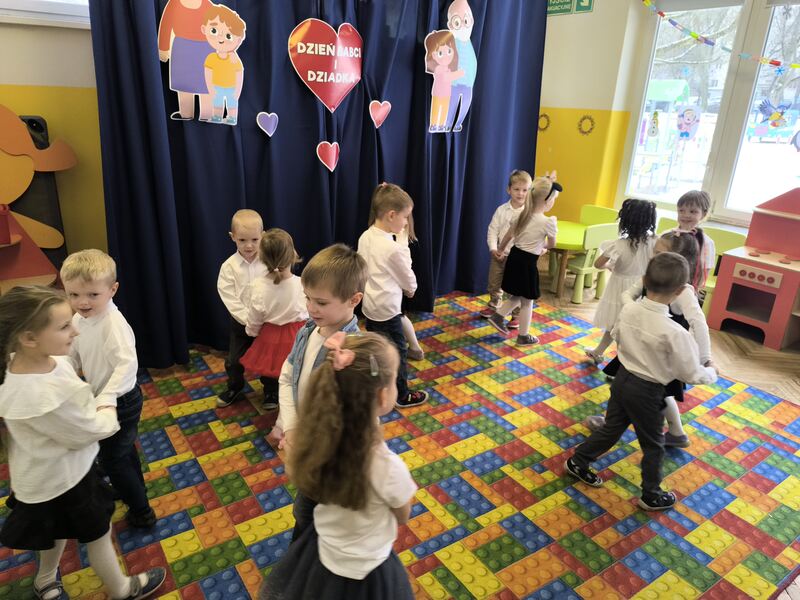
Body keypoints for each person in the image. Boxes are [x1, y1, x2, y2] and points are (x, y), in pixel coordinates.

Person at [0, 286, 165, 600]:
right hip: (67, 479)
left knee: (54, 531)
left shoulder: (19, 363)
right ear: (29, 338)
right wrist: (107, 404)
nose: (75, 331)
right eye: (64, 326)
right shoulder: (46, 398)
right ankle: (122, 589)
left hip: (36, 478)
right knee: (100, 535)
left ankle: (45, 579)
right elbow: (89, 431)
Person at [261, 333, 415, 600]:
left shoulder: (316, 440)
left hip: (321, 555)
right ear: (382, 396)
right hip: (370, 570)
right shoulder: (387, 466)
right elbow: (402, 515)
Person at [565, 253, 717, 511]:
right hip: (648, 392)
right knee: (653, 445)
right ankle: (651, 495)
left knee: (612, 428)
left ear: (644, 280)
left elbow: (616, 334)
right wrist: (711, 371)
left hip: (622, 379)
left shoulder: (629, 309)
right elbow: (691, 374)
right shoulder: (675, 332)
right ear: (680, 291)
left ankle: (578, 461)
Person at [60, 250, 156, 530]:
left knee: (113, 460)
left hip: (121, 400)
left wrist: (107, 399)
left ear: (112, 290)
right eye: (74, 294)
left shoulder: (112, 324)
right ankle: (133, 488)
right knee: (122, 453)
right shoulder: (80, 319)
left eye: (92, 294)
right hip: (102, 398)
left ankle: (142, 511)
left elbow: (126, 366)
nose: (82, 302)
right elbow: (72, 354)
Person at [279, 244, 368, 540]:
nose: (311, 307)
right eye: (307, 298)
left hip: (332, 454)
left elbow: (359, 416)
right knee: (306, 513)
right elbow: (287, 376)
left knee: (313, 515)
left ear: (354, 300)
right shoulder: (307, 331)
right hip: (307, 441)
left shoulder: (354, 352)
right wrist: (291, 427)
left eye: (320, 302)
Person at [594, 230, 714, 448]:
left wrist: (705, 358)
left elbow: (699, 323)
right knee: (647, 388)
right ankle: (675, 433)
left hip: (663, 349)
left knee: (652, 390)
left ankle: (614, 423)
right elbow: (628, 294)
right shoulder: (651, 277)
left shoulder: (683, 291)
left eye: (659, 254)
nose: (653, 258)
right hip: (644, 342)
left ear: (678, 260)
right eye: (654, 252)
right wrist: (632, 309)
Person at [358, 183, 429, 408]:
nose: (407, 222)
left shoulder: (366, 236)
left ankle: (376, 387)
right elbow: (407, 276)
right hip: (388, 310)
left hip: (370, 307)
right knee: (397, 353)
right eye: (405, 217)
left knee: (376, 350)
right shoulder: (392, 248)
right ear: (391, 215)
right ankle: (401, 395)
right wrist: (411, 289)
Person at [485, 173, 560, 345]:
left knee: (520, 295)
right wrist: (542, 248)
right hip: (527, 263)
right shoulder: (548, 222)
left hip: (514, 257)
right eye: (554, 199)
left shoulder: (521, 215)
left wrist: (500, 249)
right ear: (548, 201)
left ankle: (498, 316)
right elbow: (552, 244)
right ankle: (523, 335)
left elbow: (507, 236)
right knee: (527, 300)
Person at [241, 229, 307, 417]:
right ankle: (297, 394)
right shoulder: (302, 283)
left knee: (269, 368)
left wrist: (252, 331)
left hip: (269, 335)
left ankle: (271, 394)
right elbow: (308, 312)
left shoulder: (257, 286)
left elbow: (255, 316)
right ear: (293, 255)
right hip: (297, 334)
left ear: (262, 257)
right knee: (297, 366)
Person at [585, 199, 657, 364]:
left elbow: (598, 264)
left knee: (617, 324)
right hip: (641, 287)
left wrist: (610, 266)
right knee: (623, 325)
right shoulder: (654, 242)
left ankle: (622, 364)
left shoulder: (618, 244)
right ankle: (599, 352)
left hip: (619, 289)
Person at [217, 209, 269, 408]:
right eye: (242, 240)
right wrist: (248, 320)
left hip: (267, 322)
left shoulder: (269, 262)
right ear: (233, 237)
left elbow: (276, 289)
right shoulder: (228, 267)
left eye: (255, 240)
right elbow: (229, 297)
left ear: (263, 236)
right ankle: (235, 386)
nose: (249, 245)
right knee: (234, 361)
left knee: (269, 358)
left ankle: (271, 390)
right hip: (241, 324)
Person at [479, 170, 532, 329]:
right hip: (499, 255)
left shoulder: (529, 213)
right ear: (509, 190)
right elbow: (492, 230)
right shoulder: (501, 210)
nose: (520, 193)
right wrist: (493, 249)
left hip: (518, 258)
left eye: (525, 190)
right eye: (516, 189)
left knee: (515, 286)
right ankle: (494, 304)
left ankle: (516, 315)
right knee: (494, 282)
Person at [157, 0, 214, 121]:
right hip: (182, 47)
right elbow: (166, 26)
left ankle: (207, 113)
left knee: (205, 83)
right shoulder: (174, 3)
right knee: (183, 83)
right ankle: (186, 112)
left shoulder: (206, 4)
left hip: (204, 48)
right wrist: (163, 48)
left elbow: (215, 23)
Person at [201, 4, 246, 125]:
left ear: (238, 39)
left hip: (232, 88)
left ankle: (232, 117)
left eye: (228, 36)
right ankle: (217, 116)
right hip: (216, 87)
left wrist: (237, 91)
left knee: (232, 104)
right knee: (217, 103)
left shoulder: (235, 60)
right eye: (214, 31)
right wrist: (210, 88)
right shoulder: (211, 58)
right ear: (204, 29)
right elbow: (208, 74)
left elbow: (239, 74)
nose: (221, 38)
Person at [423, 29, 464, 132]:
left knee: (444, 109)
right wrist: (459, 74)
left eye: (449, 51)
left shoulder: (448, 68)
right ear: (434, 55)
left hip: (447, 93)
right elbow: (447, 77)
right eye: (441, 53)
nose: (446, 56)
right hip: (438, 93)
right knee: (436, 108)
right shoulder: (438, 68)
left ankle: (441, 125)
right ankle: (434, 124)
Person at [395, 225, 425, 361]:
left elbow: (404, 265)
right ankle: (414, 347)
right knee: (400, 315)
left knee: (399, 315)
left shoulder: (399, 235)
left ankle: (414, 348)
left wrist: (409, 288)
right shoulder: (401, 232)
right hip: (399, 283)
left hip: (396, 284)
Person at [676, 190, 716, 289]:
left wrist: (694, 290)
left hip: (687, 289)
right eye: (681, 210)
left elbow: (705, 271)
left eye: (693, 211)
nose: (686, 215)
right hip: (662, 287)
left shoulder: (706, 243)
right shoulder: (667, 235)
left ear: (703, 214)